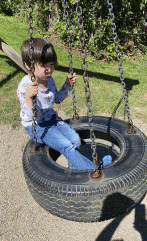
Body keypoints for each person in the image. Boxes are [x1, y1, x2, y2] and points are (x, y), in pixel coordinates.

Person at [17, 37, 95, 170]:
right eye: (43, 65)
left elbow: (56, 99)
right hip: (37, 126)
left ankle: (76, 169)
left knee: (76, 140)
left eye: (51, 64)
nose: (49, 70)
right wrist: (29, 99)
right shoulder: (25, 87)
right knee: (66, 145)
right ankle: (94, 170)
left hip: (51, 119)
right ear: (28, 65)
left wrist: (67, 85)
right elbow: (33, 117)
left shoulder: (50, 80)